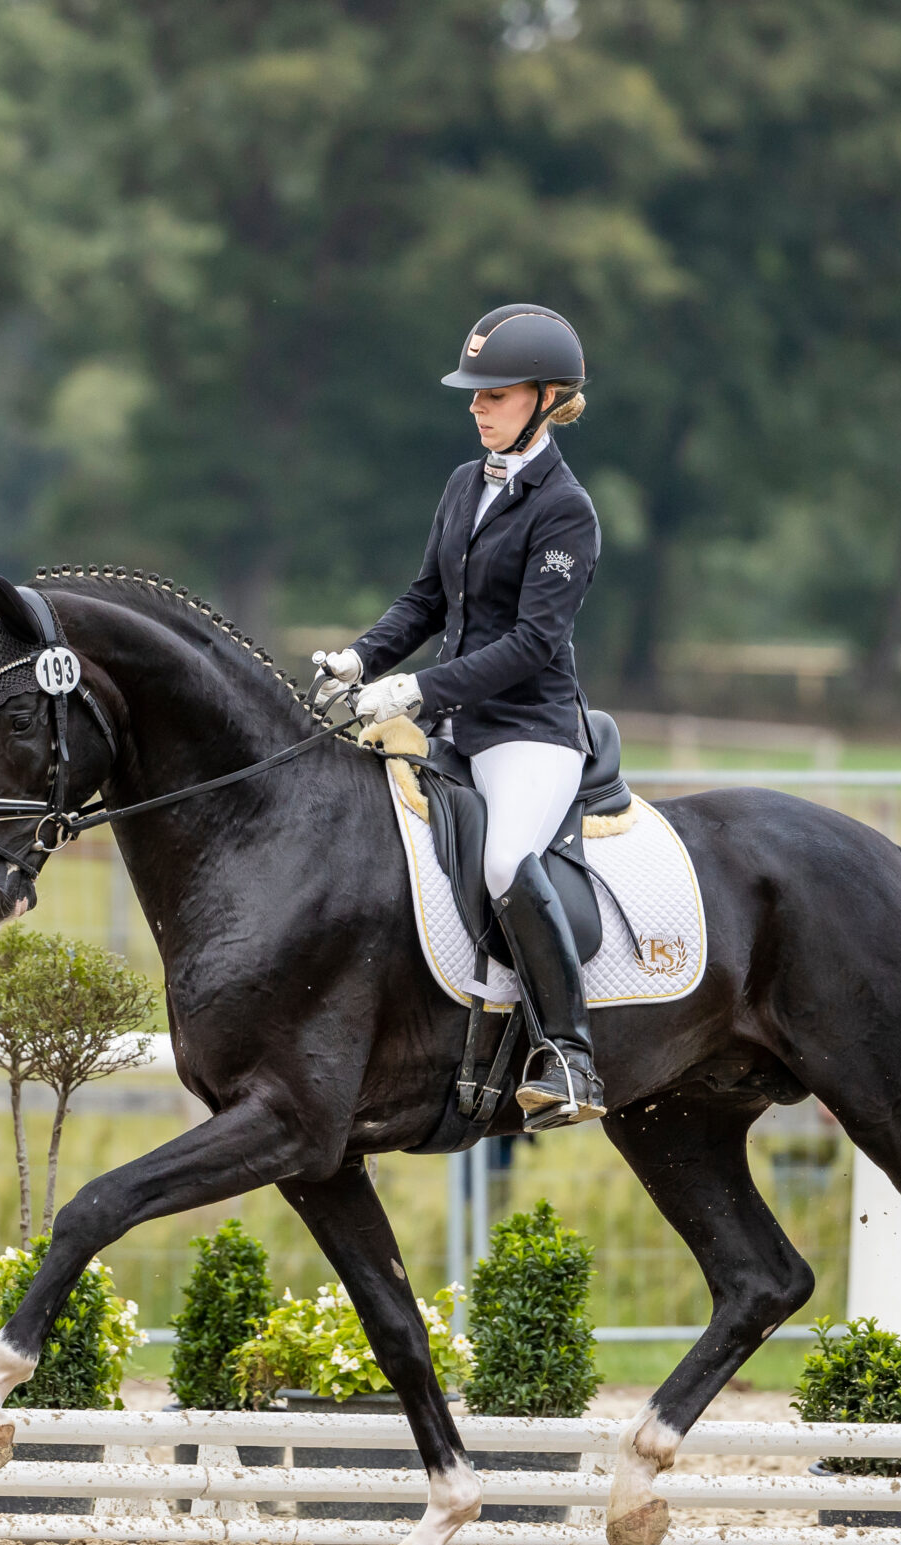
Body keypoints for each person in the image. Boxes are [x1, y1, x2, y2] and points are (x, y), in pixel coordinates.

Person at [314, 303, 606, 1131]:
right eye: (473, 394)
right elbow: (426, 600)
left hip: (529, 732)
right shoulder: (462, 484)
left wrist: (416, 693)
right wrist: (363, 659)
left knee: (509, 859)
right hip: (453, 728)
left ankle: (570, 1054)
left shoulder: (567, 512)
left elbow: (531, 644)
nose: (477, 406)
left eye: (496, 394)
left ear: (550, 399)